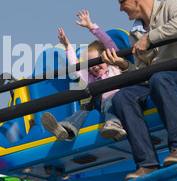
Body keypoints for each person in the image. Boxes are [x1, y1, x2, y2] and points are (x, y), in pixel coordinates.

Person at [102, 0, 177, 180]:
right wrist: (124, 65)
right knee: (122, 96)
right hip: (155, 82)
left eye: (122, 2)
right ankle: (147, 163)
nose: (120, 8)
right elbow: (142, 75)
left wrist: (150, 38)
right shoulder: (134, 33)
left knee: (160, 78)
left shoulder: (171, 5)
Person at [41, 10, 127, 141]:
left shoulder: (114, 67)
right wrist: (67, 46)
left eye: (98, 61)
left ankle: (114, 124)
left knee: (110, 102)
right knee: (83, 112)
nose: (95, 66)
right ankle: (65, 129)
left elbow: (109, 43)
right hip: (101, 107)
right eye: (90, 64)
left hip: (117, 101)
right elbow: (76, 68)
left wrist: (91, 27)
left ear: (107, 57)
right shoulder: (91, 78)